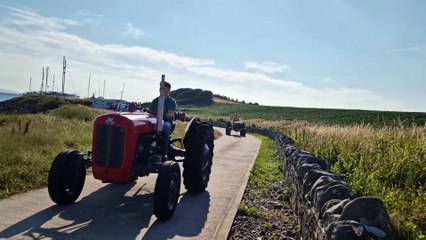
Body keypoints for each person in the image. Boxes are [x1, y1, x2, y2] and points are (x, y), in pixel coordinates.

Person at [149, 81, 177, 161]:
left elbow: (170, 114)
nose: (162, 91)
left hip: (166, 121)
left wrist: (161, 111)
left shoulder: (172, 101)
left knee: (165, 128)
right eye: (161, 89)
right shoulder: (155, 101)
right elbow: (150, 111)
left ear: (169, 90)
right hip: (155, 120)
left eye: (164, 89)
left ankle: (163, 153)